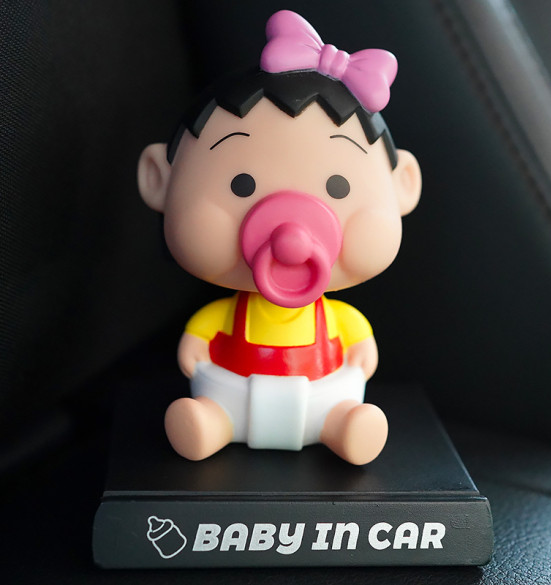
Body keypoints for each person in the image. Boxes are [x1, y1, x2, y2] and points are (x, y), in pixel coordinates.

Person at [137, 10, 421, 465]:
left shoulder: (337, 317)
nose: (289, 227)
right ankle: (209, 425)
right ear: (159, 180)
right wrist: (195, 342)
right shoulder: (226, 313)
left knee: (336, 412)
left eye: (338, 188)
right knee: (218, 411)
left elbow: (355, 336)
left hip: (319, 395)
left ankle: (344, 427)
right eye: (242, 185)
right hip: (237, 391)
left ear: (404, 183)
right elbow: (204, 330)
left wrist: (361, 346)